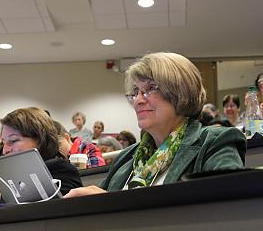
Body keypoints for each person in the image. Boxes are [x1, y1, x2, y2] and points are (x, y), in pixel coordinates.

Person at [65, 52, 246, 198]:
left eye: (150, 88)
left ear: (180, 92)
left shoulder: (216, 142)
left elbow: (228, 207)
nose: (138, 100)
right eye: (135, 92)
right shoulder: (128, 156)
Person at [0, 107, 83, 195]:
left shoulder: (61, 170)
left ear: (40, 139)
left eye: (13, 140)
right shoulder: (14, 176)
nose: (5, 150)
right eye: (3, 143)